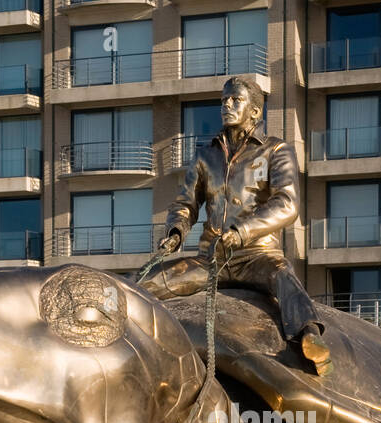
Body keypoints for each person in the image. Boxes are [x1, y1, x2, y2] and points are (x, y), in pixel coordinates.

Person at [139, 76, 332, 376]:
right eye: (223, 100)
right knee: (146, 283)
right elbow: (186, 203)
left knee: (284, 277)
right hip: (211, 259)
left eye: (235, 100)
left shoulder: (276, 150)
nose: (226, 105)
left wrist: (242, 232)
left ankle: (309, 337)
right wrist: (176, 231)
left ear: (255, 111)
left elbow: (287, 204)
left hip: (257, 255)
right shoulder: (206, 155)